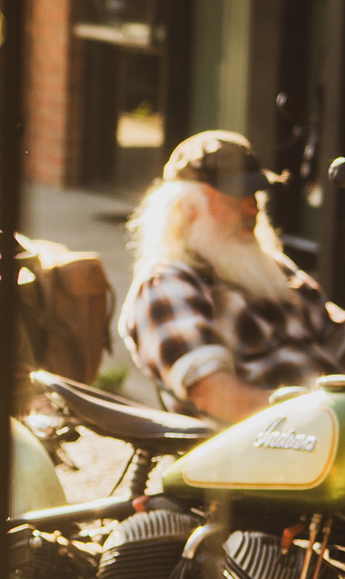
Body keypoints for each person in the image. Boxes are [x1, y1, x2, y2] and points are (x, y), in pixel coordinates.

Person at [120, 130, 345, 423]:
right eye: (235, 198)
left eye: (254, 195)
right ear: (186, 210)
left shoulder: (267, 267)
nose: (252, 208)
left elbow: (335, 333)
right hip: (273, 446)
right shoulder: (166, 282)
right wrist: (322, 419)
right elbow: (212, 395)